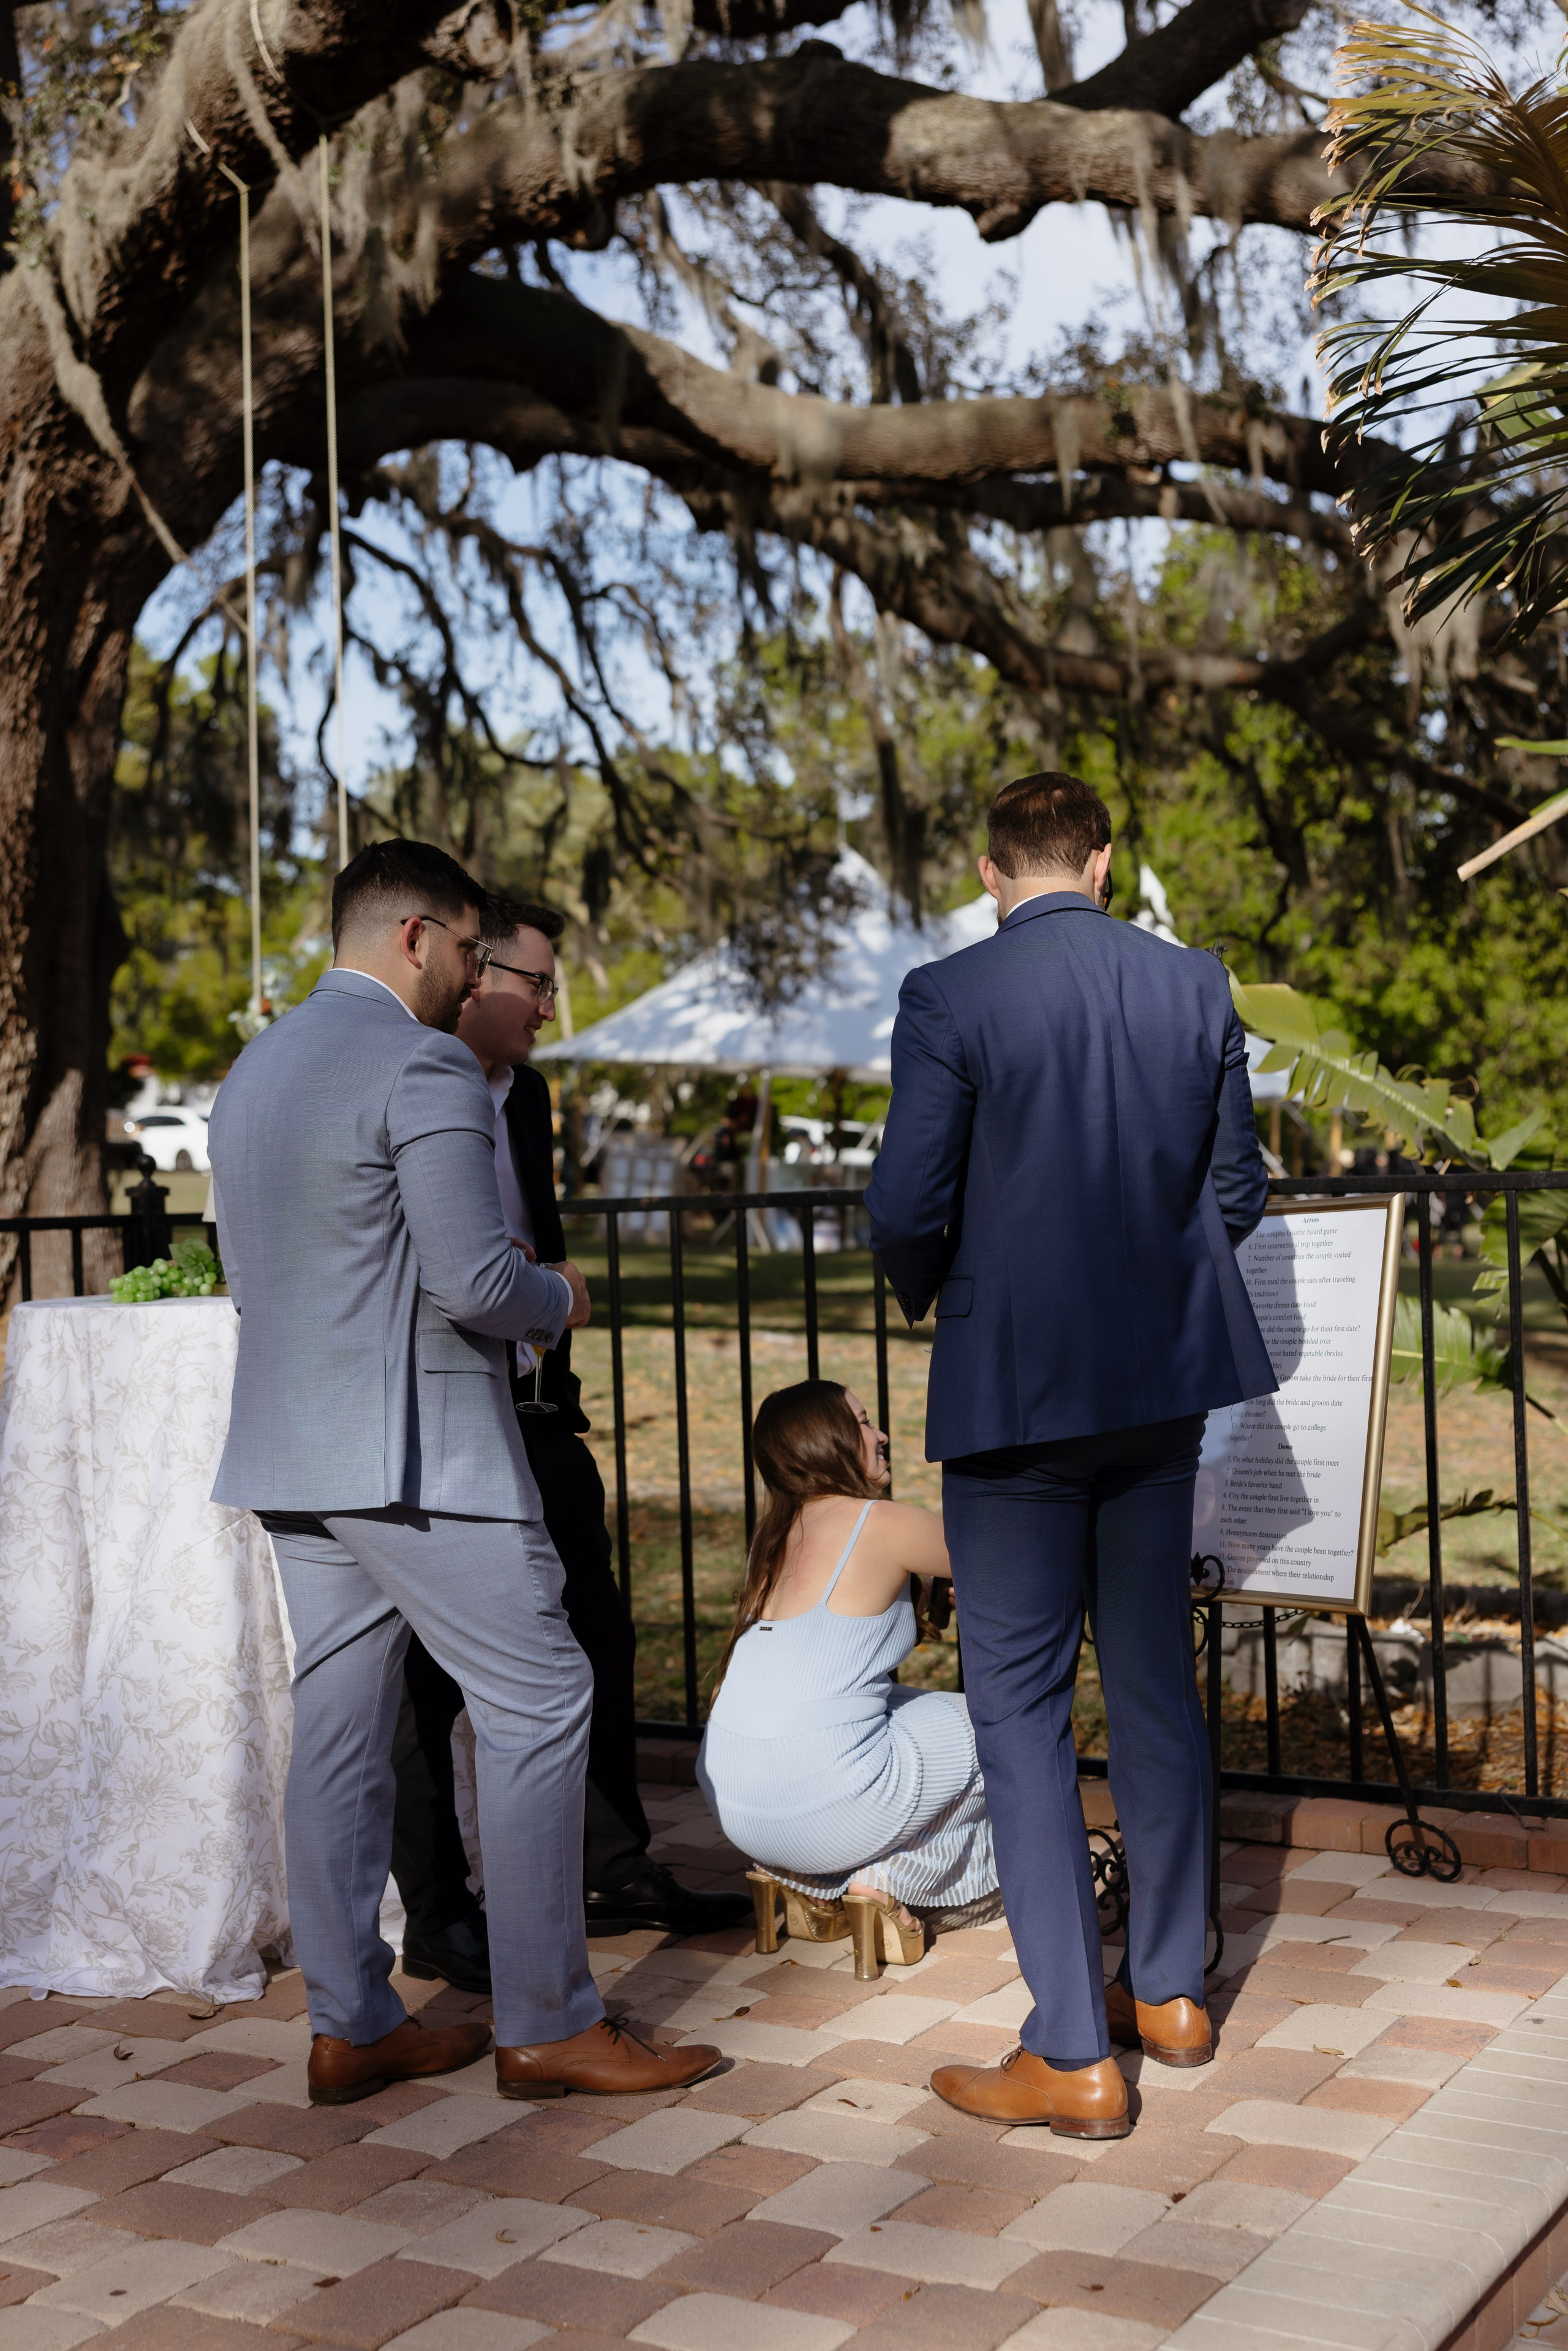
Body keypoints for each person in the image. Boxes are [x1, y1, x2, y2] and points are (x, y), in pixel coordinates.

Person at [209, 837, 720, 2105]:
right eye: (471, 950)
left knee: (338, 1732)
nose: (476, 975)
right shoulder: (423, 1061)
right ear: (415, 936)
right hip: (418, 1452)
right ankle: (548, 2020)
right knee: (542, 1696)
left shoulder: (255, 1067)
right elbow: (477, 1280)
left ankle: (351, 2022)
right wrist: (563, 1294)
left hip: (292, 1450)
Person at [866, 771, 1273, 2140]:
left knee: (1021, 1708)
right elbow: (1236, 1188)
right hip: (1159, 1384)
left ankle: (1070, 2050)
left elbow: (906, 1200)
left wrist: (943, 1285)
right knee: (1151, 1685)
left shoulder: (949, 994)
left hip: (1015, 1388)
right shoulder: (1194, 982)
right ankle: (1170, 1992)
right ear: (1101, 859)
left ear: (992, 872)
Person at [391, 892, 751, 1990]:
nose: (550, 1005)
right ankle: (440, 1913)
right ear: (474, 973)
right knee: (422, 1677)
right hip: (437, 1419)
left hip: (540, 1405)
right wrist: (541, 1290)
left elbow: (535, 1231)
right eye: (536, 982)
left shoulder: (530, 1094)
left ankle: (614, 1866)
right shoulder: (407, 1080)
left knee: (597, 1627)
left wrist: (552, 1336)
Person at [698, 1380, 998, 1980]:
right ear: (826, 1440)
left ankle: (798, 1883)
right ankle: (884, 1882)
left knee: (900, 1707)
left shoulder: (774, 1534)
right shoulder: (877, 1521)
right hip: (825, 1803)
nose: (880, 1434)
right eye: (862, 1421)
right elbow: (1006, 1557)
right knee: (993, 1724)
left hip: (733, 1801)